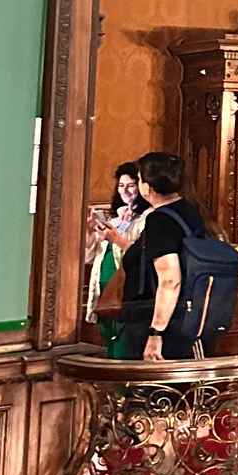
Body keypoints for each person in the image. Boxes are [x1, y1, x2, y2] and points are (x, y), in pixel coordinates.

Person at [118, 152, 214, 361]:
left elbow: (170, 280)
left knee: (149, 381)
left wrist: (156, 333)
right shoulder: (189, 210)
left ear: (148, 186)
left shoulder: (159, 220)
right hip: (187, 317)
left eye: (139, 179)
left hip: (160, 321)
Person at [84, 162, 148, 358]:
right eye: (121, 185)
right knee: (108, 338)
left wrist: (116, 238)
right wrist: (89, 230)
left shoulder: (147, 218)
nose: (125, 191)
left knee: (124, 343)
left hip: (125, 288)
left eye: (131, 185)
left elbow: (141, 255)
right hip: (103, 288)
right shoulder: (114, 219)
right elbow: (88, 256)